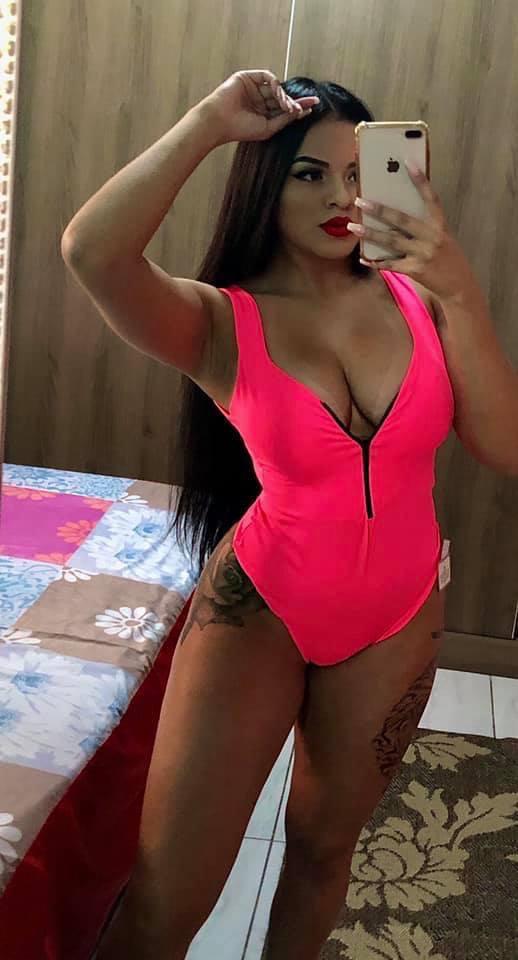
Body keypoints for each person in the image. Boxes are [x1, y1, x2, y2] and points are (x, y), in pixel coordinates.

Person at [62, 69, 451, 960]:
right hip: (261, 610)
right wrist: (209, 122)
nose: (341, 197)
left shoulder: (423, 298)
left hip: (397, 614)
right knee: (167, 898)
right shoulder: (219, 322)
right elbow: (93, 253)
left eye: (357, 173)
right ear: (265, 183)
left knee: (322, 855)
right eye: (310, 173)